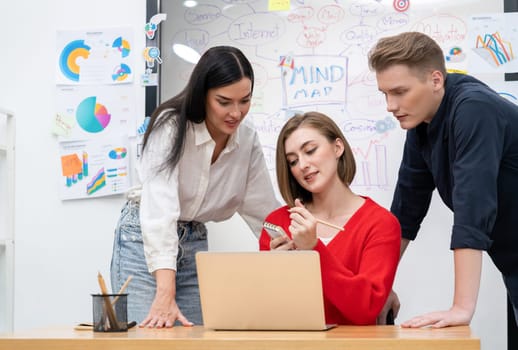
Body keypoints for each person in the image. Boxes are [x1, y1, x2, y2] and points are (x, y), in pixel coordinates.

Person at [110, 46, 279, 328]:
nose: (236, 113)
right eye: (224, 102)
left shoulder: (247, 139)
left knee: (194, 340)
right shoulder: (171, 126)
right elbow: (160, 213)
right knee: (149, 339)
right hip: (143, 240)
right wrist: (165, 290)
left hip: (194, 240)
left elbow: (262, 210)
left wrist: (294, 246)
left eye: (245, 101)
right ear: (202, 95)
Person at [368, 31, 518, 328]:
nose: (389, 105)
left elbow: (472, 209)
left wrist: (461, 308)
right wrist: (379, 288)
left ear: (436, 80)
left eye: (399, 92)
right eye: (385, 94)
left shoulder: (474, 109)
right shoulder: (422, 121)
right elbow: (405, 211)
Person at [259, 111, 401, 325]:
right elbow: (267, 310)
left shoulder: (381, 224)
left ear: (337, 147)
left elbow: (366, 309)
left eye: (310, 150)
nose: (302, 165)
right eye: (293, 161)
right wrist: (276, 271)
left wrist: (313, 249)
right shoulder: (278, 222)